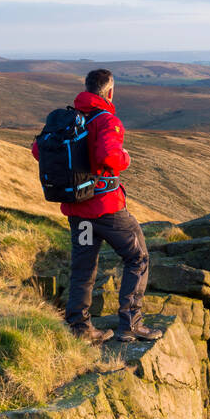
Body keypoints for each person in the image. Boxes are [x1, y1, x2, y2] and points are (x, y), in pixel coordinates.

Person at [32, 68, 162, 344]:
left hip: (77, 211)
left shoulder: (68, 119)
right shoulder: (107, 121)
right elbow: (108, 155)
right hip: (106, 209)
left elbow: (37, 150)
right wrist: (125, 158)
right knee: (138, 258)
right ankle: (130, 324)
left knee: (83, 267)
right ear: (110, 91)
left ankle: (80, 329)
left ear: (87, 88)